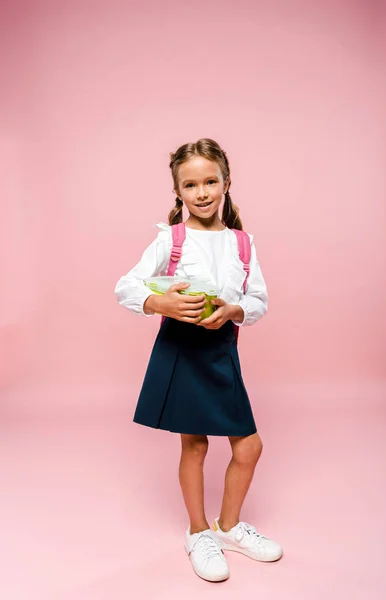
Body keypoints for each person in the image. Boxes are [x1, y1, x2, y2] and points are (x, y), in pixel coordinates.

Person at [114, 138, 283, 582]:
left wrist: (234, 310)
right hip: (181, 351)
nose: (203, 192)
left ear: (227, 182)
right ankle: (197, 532)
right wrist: (160, 304)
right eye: (191, 185)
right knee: (195, 443)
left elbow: (259, 299)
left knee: (249, 445)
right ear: (178, 192)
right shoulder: (170, 239)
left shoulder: (242, 243)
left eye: (211, 181)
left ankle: (228, 527)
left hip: (221, 351)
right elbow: (126, 287)